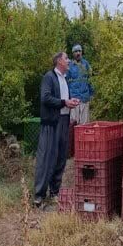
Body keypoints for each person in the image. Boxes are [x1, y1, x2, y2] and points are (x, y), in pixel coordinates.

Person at [34, 52, 79, 207]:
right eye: (66, 58)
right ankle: (39, 195)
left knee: (61, 158)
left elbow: (62, 100)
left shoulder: (64, 79)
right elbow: (45, 98)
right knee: (47, 158)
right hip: (51, 123)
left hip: (64, 121)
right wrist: (64, 102)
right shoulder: (49, 77)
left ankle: (54, 192)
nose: (69, 61)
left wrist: (71, 101)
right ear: (59, 61)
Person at [67, 44, 94, 125]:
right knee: (73, 123)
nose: (78, 53)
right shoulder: (69, 66)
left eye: (79, 51)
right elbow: (66, 82)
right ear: (73, 53)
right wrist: (68, 98)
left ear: (82, 52)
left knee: (85, 125)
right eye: (76, 51)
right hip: (74, 99)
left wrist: (92, 93)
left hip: (85, 98)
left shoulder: (86, 64)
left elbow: (90, 80)